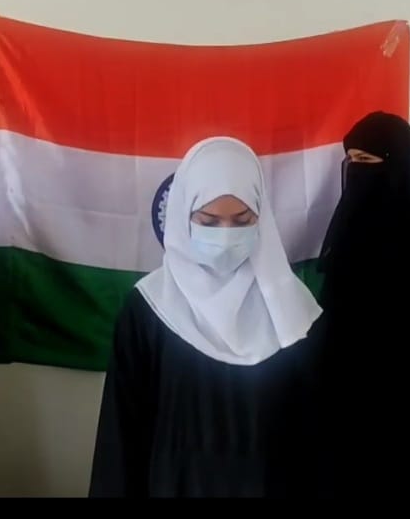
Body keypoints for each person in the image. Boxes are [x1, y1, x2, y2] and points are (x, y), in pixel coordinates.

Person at [88, 137, 328, 498]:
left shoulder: (295, 313)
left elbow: (317, 440)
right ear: (184, 217)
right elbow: (121, 439)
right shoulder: (149, 310)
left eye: (242, 220)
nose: (226, 235)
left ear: (262, 219)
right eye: (209, 221)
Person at [316, 112, 410, 495]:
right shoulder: (348, 228)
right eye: (352, 161)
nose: (357, 172)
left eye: (368, 161)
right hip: (347, 412)